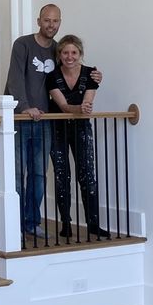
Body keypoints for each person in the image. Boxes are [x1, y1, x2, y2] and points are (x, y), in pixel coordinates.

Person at [4, 4, 102, 238]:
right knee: (18, 174)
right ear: (39, 21)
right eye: (47, 20)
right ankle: (15, 225)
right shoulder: (23, 44)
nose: (51, 25)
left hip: (46, 120)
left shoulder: (59, 50)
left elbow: (71, 72)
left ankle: (31, 222)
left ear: (60, 22)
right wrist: (25, 107)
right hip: (19, 118)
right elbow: (15, 79)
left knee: (39, 174)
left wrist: (96, 75)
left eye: (55, 21)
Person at [46, 34, 110, 238]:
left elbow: (88, 105)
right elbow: (64, 106)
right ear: (60, 55)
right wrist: (80, 108)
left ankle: (93, 223)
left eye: (74, 52)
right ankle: (66, 223)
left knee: (87, 175)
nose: (69, 56)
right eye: (65, 52)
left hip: (82, 128)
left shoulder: (91, 74)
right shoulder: (52, 76)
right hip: (58, 129)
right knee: (61, 176)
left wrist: (84, 108)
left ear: (80, 54)